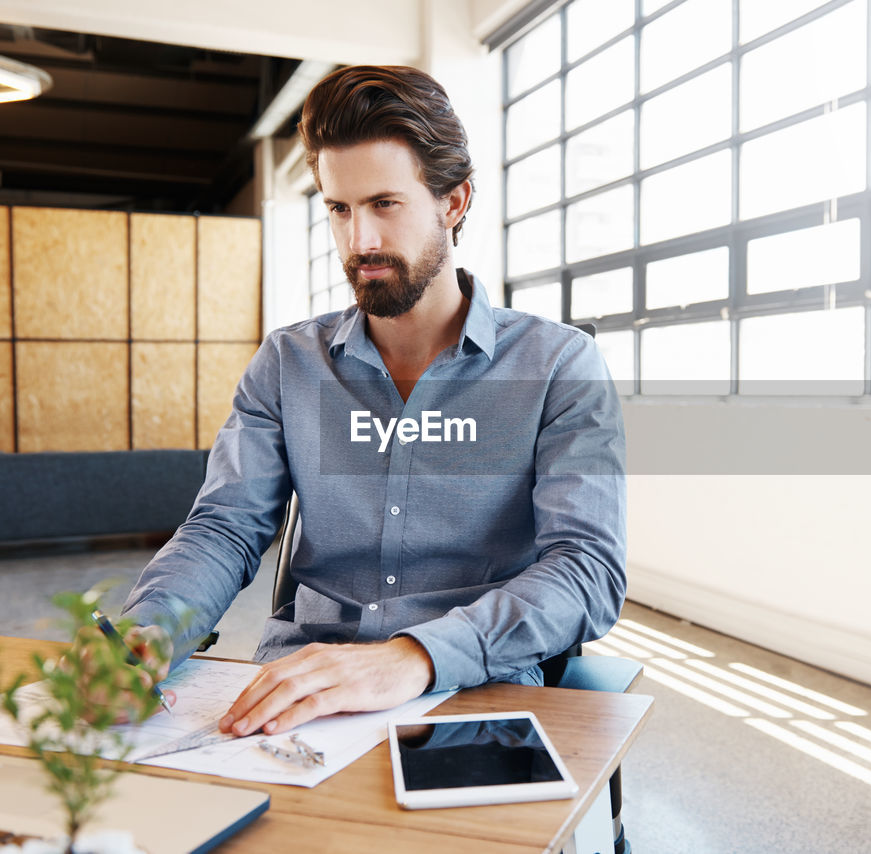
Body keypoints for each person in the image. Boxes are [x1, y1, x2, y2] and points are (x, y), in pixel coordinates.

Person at [115, 64, 626, 739]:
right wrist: (146, 637)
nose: (360, 242)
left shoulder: (557, 366)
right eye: (339, 208)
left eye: (385, 204)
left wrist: (413, 658)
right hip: (297, 694)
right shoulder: (288, 364)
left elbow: (587, 568)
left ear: (454, 202)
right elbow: (225, 527)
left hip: (471, 698)